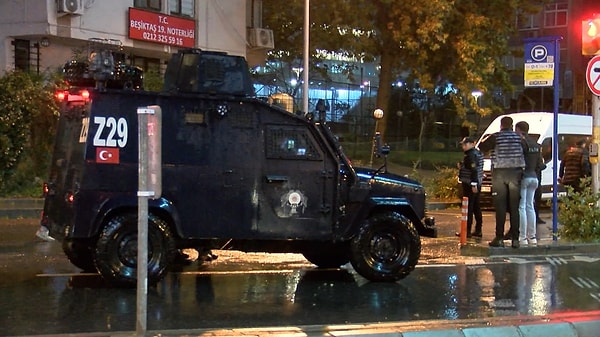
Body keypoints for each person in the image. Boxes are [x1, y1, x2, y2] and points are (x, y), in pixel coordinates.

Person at [478, 116, 525, 248]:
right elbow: (526, 151)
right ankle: (515, 239)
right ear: (511, 125)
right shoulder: (519, 138)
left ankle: (499, 238)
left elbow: (481, 147)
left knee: (500, 207)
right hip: (515, 173)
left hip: (500, 173)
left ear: (501, 125)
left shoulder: (495, 137)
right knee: (514, 208)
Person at [515, 121, 545, 246]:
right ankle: (532, 237)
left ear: (519, 129)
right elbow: (540, 164)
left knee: (521, 207)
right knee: (530, 206)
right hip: (534, 177)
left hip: (524, 177)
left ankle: (522, 237)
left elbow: (518, 161)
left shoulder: (521, 143)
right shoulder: (537, 145)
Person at [456, 137, 484, 238]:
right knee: (476, 207)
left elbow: (474, 169)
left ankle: (466, 231)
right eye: (463, 144)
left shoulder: (471, 155)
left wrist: (473, 184)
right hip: (477, 182)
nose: (463, 146)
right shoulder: (478, 153)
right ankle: (478, 229)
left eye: (466, 144)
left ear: (472, 144)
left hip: (470, 184)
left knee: (469, 208)